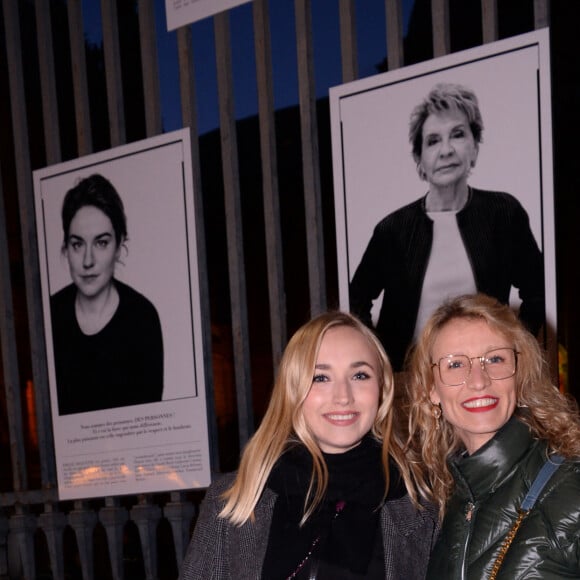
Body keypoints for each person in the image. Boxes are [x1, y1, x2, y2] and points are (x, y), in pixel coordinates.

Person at [179, 311, 438, 579]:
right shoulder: (233, 500)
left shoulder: (419, 505)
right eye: (320, 377)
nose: (343, 397)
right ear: (293, 389)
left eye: (360, 375)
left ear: (382, 388)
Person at [349, 83, 545, 372]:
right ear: (419, 160)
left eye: (457, 134)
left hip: (484, 378)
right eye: (432, 141)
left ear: (474, 146)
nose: (446, 150)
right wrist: (381, 359)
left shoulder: (503, 213)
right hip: (411, 385)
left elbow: (537, 288)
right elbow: (357, 298)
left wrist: (513, 350)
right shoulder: (392, 230)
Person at [405, 293, 580, 578]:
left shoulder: (572, 482)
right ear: (431, 389)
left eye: (495, 358)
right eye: (456, 364)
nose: (478, 380)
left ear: (518, 373)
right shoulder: (438, 506)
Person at [50, 174, 164, 415]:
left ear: (119, 245)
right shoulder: (51, 314)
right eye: (77, 244)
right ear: (66, 248)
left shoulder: (142, 318)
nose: (88, 261)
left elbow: (149, 420)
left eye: (101, 243)